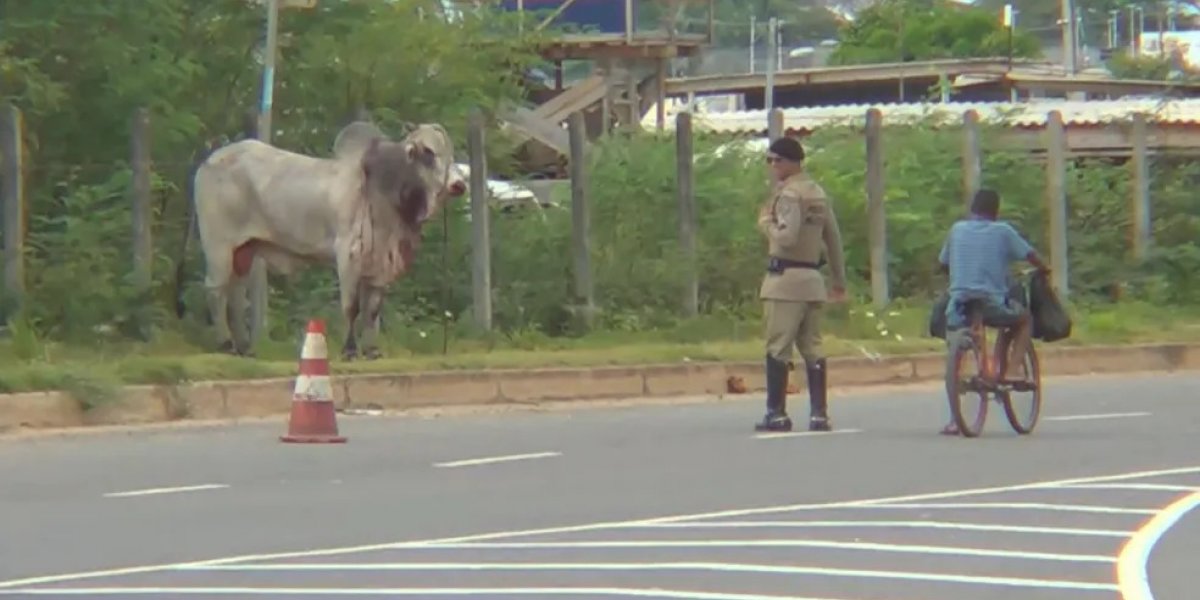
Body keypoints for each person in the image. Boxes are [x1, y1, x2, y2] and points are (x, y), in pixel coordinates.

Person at [937, 188, 1050, 435]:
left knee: (955, 348)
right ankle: (1010, 371)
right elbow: (1031, 256)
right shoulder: (1003, 231)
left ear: (972, 209)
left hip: (958, 302)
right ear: (995, 212)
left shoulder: (957, 230)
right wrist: (1045, 269)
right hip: (991, 301)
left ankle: (956, 419)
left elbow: (943, 263)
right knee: (1023, 320)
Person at [755, 137, 847, 433]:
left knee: (778, 346)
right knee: (812, 346)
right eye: (770, 161)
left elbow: (787, 237)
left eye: (776, 160)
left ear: (792, 162)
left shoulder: (790, 195)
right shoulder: (817, 193)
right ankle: (819, 414)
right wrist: (838, 280)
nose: (772, 166)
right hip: (811, 279)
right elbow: (833, 240)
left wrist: (766, 223)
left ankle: (777, 413)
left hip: (785, 281)